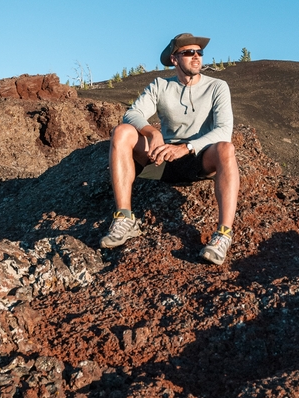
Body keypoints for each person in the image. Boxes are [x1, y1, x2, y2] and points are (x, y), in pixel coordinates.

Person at [101, 33, 240, 265]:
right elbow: (132, 114)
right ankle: (125, 218)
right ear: (175, 59)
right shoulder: (160, 85)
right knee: (122, 131)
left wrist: (186, 147)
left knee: (226, 148)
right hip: (163, 157)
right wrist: (153, 133)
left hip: (199, 156)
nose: (196, 57)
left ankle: (223, 235)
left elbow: (224, 130)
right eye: (188, 52)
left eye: (199, 52)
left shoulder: (218, 87)